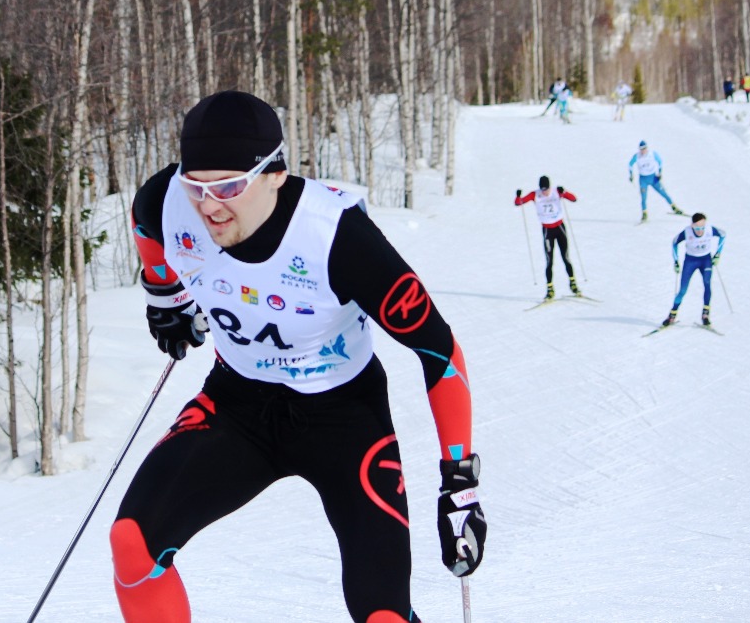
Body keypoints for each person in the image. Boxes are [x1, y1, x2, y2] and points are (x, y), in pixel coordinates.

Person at [112, 90, 485, 623]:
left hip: (343, 419)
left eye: (229, 187)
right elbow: (147, 222)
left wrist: (460, 485)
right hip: (236, 406)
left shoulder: (337, 237)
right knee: (133, 543)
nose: (209, 205)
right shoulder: (167, 200)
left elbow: (439, 352)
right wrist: (164, 295)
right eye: (196, 186)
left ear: (274, 174)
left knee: (383, 614)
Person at [514, 176, 580, 300]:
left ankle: (573, 284)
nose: (545, 192)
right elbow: (519, 203)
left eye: (546, 189)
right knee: (549, 261)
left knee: (565, 257)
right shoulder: (535, 195)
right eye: (543, 189)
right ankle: (550, 290)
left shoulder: (556, 191)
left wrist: (564, 192)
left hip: (560, 228)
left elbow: (574, 199)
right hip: (547, 230)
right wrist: (518, 196)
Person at [661, 212, 727, 328]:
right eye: (697, 227)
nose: (700, 230)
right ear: (692, 225)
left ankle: (705, 315)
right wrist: (676, 261)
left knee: (707, 284)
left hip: (705, 260)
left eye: (702, 227)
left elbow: (723, 234)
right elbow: (674, 242)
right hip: (690, 261)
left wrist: (718, 254)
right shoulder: (687, 232)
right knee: (683, 290)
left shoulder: (709, 229)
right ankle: (672, 315)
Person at [628, 140, 684, 222]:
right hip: (643, 179)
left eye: (644, 148)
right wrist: (631, 175)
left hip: (653, 178)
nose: (643, 151)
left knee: (664, 193)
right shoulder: (637, 156)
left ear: (647, 148)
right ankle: (644, 214)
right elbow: (630, 164)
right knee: (643, 198)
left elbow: (660, 162)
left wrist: (660, 173)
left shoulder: (652, 154)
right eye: (641, 149)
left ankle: (674, 207)